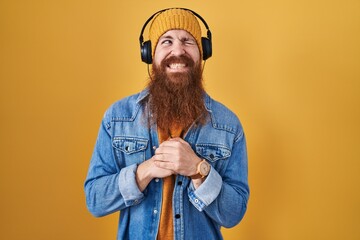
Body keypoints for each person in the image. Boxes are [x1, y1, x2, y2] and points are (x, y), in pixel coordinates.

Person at [84, 8, 249, 240]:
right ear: (149, 53)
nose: (178, 50)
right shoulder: (117, 118)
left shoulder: (228, 125)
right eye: (167, 41)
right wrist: (146, 170)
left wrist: (198, 170)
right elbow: (95, 200)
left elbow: (234, 214)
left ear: (203, 53)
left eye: (187, 41)